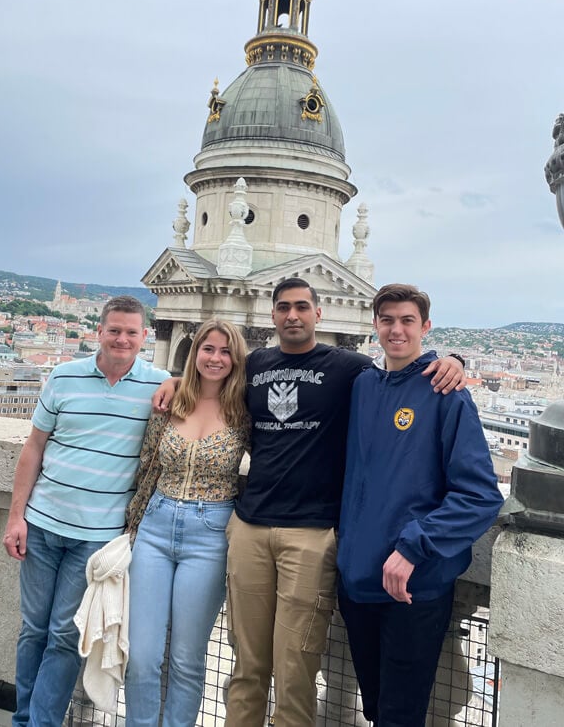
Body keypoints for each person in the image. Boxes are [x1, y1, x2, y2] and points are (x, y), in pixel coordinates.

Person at [154, 277, 465, 727]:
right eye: (283, 307)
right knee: (246, 666)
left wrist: (454, 360)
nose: (292, 315)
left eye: (302, 306)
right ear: (272, 315)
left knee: (297, 668)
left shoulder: (350, 368)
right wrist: (173, 378)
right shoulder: (255, 364)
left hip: (311, 534)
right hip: (250, 527)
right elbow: (211, 378)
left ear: (319, 314)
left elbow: (403, 370)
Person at [337, 284, 503, 727]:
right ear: (374, 327)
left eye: (407, 321)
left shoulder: (446, 393)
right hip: (357, 580)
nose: (396, 329)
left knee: (399, 715)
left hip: (414, 586)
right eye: (387, 320)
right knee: (374, 707)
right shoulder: (363, 387)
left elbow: (481, 495)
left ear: (425, 328)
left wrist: (415, 547)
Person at [3, 296, 170, 727]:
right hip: (41, 524)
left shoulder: (158, 385)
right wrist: (15, 516)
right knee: (33, 631)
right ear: (99, 331)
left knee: (63, 635)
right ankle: (24, 718)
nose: (122, 338)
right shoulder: (62, 377)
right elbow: (33, 449)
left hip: (97, 537)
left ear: (144, 337)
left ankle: (39, 723)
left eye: (132, 332)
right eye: (114, 330)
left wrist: (178, 381)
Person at [124, 319, 250, 727]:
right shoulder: (170, 401)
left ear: (237, 359)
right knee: (142, 655)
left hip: (210, 535)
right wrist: (132, 525)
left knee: (186, 659)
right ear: (194, 353)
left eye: (225, 351)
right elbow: (146, 468)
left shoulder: (245, 410)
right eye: (208, 349)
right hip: (156, 528)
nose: (216, 358)